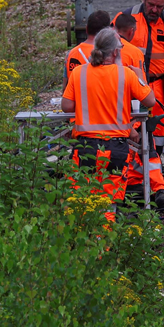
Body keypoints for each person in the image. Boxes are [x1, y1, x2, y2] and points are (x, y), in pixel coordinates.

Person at [61, 28, 156, 217]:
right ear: (115, 52)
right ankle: (102, 242)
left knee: (81, 199)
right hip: (115, 149)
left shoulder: (79, 72)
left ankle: (83, 241)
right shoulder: (126, 74)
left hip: (85, 147)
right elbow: (150, 101)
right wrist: (139, 77)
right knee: (107, 205)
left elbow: (66, 106)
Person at [115, 13, 164, 204]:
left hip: (109, 117)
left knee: (123, 154)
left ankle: (127, 186)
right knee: (148, 151)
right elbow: (143, 91)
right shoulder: (135, 53)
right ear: (131, 31)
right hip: (132, 114)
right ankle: (158, 188)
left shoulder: (97, 54)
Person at [121, 0, 164, 153]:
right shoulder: (127, 16)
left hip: (159, 84)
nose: (154, 9)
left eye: (159, 6)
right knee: (134, 124)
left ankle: (157, 158)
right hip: (134, 85)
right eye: (151, 5)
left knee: (160, 126)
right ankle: (133, 159)